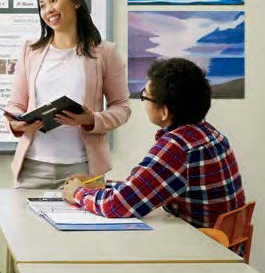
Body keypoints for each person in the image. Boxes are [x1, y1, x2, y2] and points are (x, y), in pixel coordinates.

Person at [62, 58, 245, 228]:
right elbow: (147, 186)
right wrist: (103, 186)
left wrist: (78, 193)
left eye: (145, 96)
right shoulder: (211, 134)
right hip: (221, 246)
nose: (143, 101)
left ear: (164, 112)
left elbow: (116, 206)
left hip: (200, 250)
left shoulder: (177, 146)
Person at [6, 0, 131, 189]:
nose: (48, 10)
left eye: (54, 0)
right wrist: (15, 122)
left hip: (83, 170)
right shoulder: (30, 51)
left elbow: (122, 108)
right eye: (42, 5)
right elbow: (16, 104)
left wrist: (91, 119)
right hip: (33, 168)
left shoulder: (105, 53)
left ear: (76, 1)